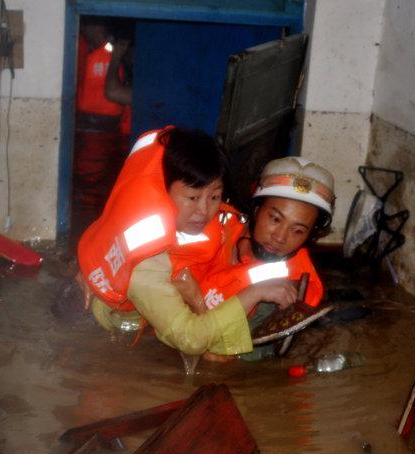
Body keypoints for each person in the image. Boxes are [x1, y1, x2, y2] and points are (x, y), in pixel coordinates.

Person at [77, 127, 298, 357]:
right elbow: (190, 340)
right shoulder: (146, 263)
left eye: (214, 196)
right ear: (163, 191)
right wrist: (255, 292)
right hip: (120, 333)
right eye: (192, 198)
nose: (204, 211)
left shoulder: (152, 195)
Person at [170, 156, 335, 361]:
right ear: (256, 210)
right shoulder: (212, 221)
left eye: (298, 230)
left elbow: (216, 356)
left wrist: (196, 301)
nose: (280, 237)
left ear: (310, 235)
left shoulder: (292, 291)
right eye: (275, 219)